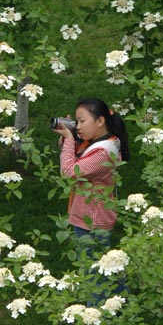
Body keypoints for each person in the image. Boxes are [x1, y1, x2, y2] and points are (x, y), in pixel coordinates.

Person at [52, 97, 130, 245]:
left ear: (100, 121)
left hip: (93, 221)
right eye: (77, 122)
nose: (78, 126)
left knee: (91, 265)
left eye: (82, 121)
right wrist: (70, 137)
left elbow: (69, 172)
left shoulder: (103, 153)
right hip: (89, 217)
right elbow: (76, 156)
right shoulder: (100, 142)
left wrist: (69, 139)